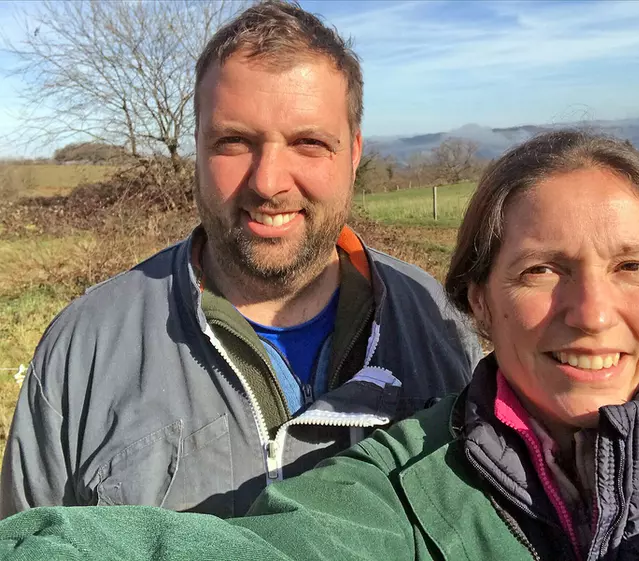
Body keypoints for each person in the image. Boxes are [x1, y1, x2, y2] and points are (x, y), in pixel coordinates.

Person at [2, 130, 639, 560]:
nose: (590, 311)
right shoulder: (399, 486)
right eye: (541, 269)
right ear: (479, 301)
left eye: (630, 266)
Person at [0, 0, 482, 519]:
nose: (269, 182)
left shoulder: (437, 320)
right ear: (199, 151)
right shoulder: (85, 348)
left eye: (309, 142)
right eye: (233, 142)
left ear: (354, 153)